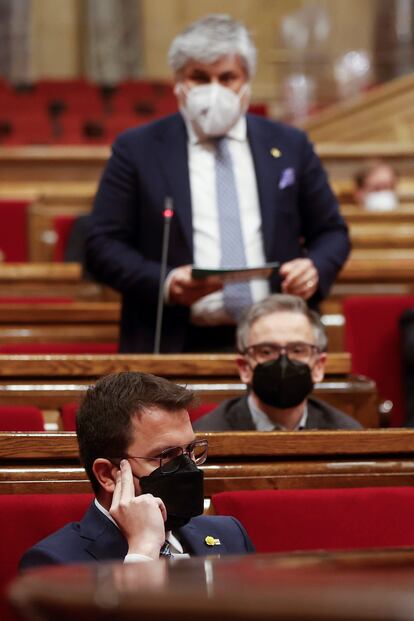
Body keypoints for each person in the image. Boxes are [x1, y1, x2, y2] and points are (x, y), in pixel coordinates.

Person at [85, 14, 351, 353]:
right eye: (200, 77)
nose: (215, 90)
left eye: (227, 78)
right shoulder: (137, 149)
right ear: (179, 82)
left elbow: (331, 232)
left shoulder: (290, 145)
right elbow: (101, 244)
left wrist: (314, 267)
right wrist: (165, 283)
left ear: (246, 82)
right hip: (173, 338)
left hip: (275, 339)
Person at [20, 372, 254, 568]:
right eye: (165, 455)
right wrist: (142, 552)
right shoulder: (56, 563)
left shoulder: (230, 535)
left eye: (191, 450)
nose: (188, 467)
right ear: (107, 474)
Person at [194, 294, 362, 431]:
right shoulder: (209, 436)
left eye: (297, 350)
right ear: (244, 368)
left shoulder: (346, 434)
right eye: (267, 351)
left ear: (319, 366)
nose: (283, 362)